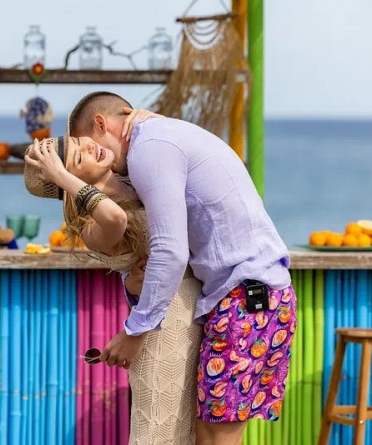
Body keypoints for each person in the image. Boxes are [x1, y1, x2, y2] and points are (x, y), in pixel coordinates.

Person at [64, 92, 297, 445]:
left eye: (86, 144)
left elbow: (170, 251)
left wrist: (135, 330)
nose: (93, 153)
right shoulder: (157, 142)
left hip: (247, 297)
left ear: (101, 124)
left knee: (213, 437)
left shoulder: (150, 148)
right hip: (245, 296)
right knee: (206, 435)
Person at [23, 112, 202, 444]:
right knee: (157, 432)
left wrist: (151, 120)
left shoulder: (139, 177)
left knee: (192, 434)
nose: (90, 147)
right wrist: (61, 176)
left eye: (82, 142)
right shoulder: (90, 228)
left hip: (200, 312)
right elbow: (116, 218)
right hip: (160, 325)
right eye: (79, 158)